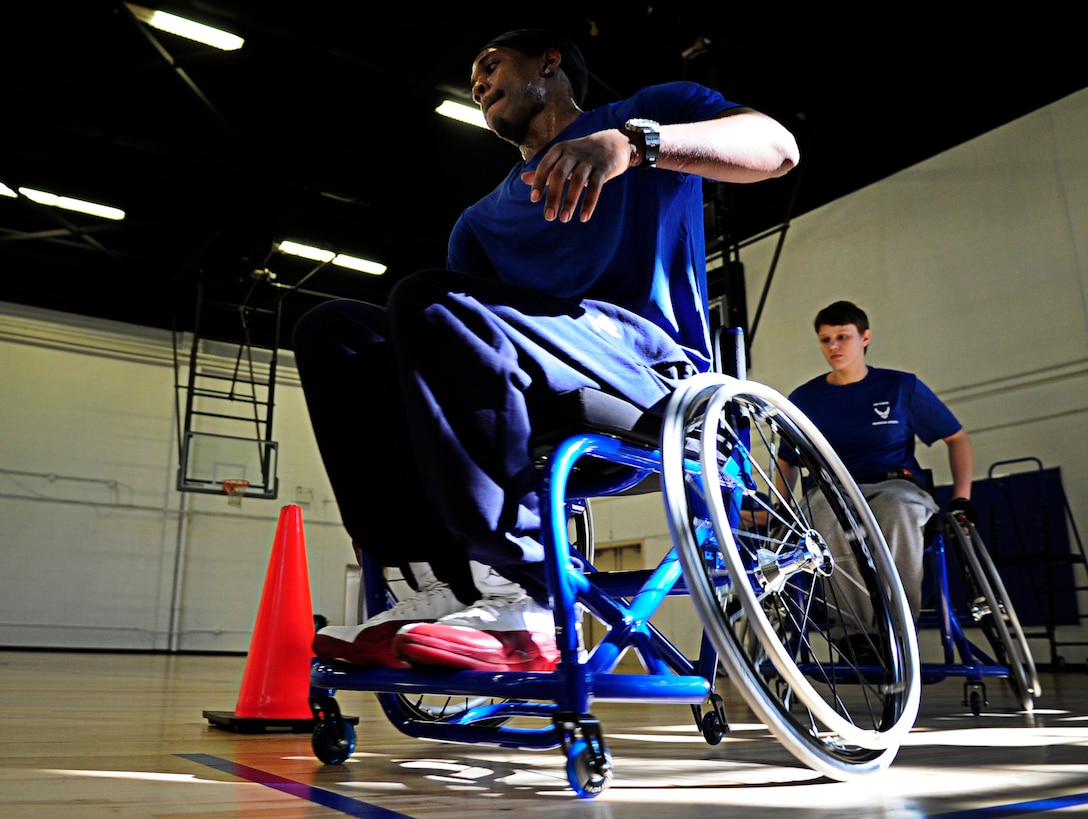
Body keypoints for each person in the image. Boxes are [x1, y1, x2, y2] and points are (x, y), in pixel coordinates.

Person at [292, 28, 799, 672]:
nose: (477, 83)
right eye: (474, 76)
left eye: (492, 64)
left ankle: (528, 595)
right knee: (336, 330)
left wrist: (636, 144)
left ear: (548, 64)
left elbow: (779, 150)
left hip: (652, 379)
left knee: (431, 298)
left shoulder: (641, 117)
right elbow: (453, 353)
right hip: (541, 402)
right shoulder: (480, 223)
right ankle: (439, 584)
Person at [776, 300, 975, 645]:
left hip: (895, 484)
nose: (834, 347)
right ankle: (856, 635)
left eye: (843, 337)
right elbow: (786, 461)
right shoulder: (806, 399)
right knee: (822, 516)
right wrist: (778, 505)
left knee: (894, 511)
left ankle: (898, 631)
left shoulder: (900, 388)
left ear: (865, 338)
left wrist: (962, 498)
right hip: (833, 490)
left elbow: (957, 438)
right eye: (825, 340)